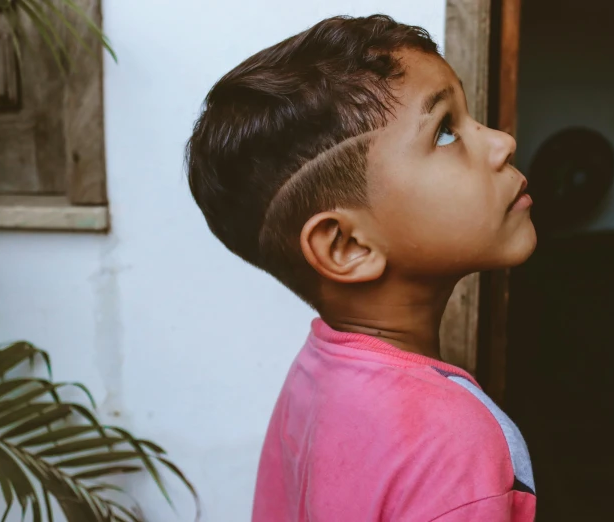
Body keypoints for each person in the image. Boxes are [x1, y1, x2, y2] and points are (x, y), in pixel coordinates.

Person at [186, 14, 537, 522]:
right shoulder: (454, 446)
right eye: (444, 132)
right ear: (347, 244)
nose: (501, 142)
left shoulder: (315, 374)